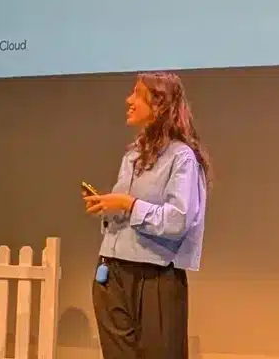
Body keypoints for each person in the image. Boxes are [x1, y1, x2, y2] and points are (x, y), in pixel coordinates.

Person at [83, 72, 211, 359]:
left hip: (155, 276)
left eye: (137, 94)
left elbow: (178, 219)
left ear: (160, 104)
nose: (128, 100)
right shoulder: (132, 155)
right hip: (111, 273)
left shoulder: (181, 157)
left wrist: (129, 205)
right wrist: (108, 207)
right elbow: (127, 211)